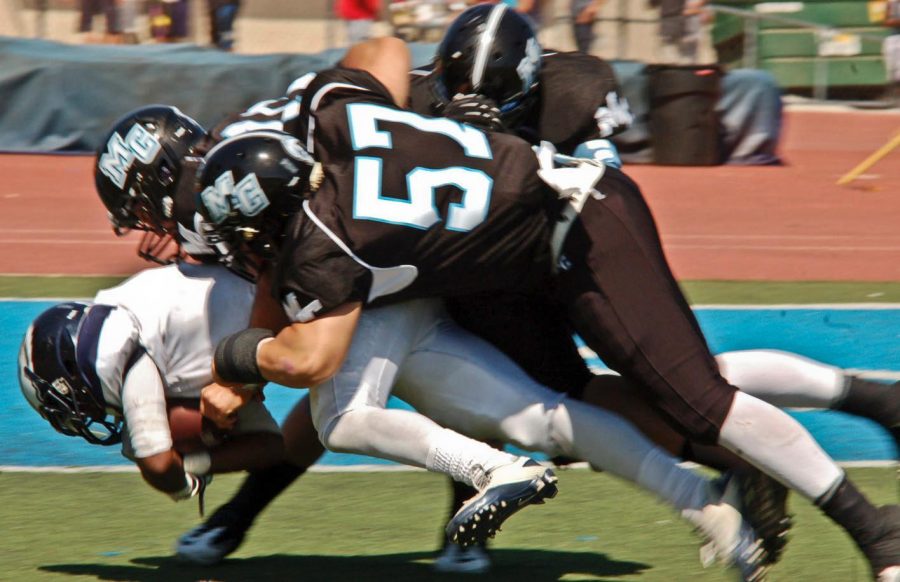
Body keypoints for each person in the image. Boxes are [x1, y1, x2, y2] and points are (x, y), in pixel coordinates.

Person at [201, 36, 899, 582]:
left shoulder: (328, 241)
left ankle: (874, 529)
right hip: (510, 264)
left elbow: (314, 358)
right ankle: (744, 474)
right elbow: (382, 50)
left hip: (579, 229)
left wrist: (237, 357)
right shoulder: (334, 112)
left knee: (695, 396)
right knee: (576, 401)